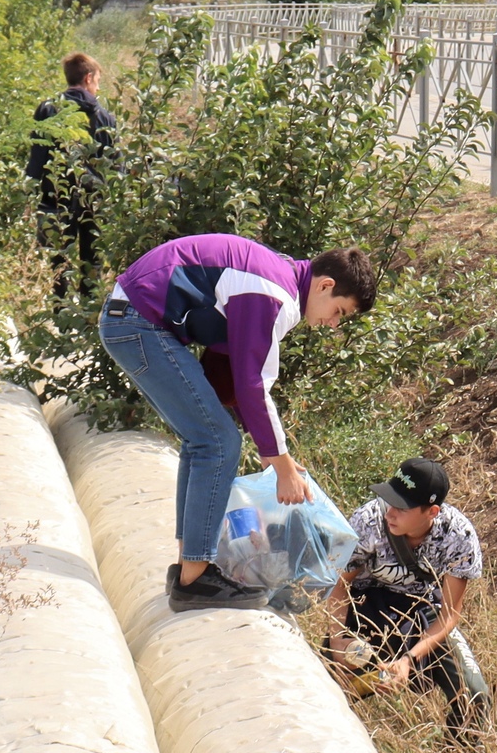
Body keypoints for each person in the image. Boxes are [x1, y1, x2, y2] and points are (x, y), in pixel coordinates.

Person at [100, 235, 375, 611]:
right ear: (326, 286)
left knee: (207, 439)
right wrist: (280, 466)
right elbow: (252, 385)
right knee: (217, 442)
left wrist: (276, 457)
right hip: (139, 322)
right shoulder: (273, 291)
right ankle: (194, 579)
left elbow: (230, 367)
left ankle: (189, 565)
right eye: (340, 311)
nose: (333, 324)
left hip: (131, 316)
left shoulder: (278, 279)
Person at [323, 457, 488, 738]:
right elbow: (339, 584)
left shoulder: (458, 536)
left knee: (474, 696)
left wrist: (409, 660)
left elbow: (449, 613)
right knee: (325, 691)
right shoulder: (368, 521)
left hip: (424, 615)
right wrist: (338, 639)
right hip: (369, 606)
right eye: (388, 501)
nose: (390, 513)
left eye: (401, 507)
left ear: (431, 511)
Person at [27, 51, 117, 298]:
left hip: (54, 196)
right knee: (93, 261)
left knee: (59, 262)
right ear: (88, 78)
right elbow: (112, 165)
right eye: (98, 80)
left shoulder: (47, 110)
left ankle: (61, 318)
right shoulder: (105, 117)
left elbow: (37, 157)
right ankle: (89, 318)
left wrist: (35, 193)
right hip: (93, 199)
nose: (98, 87)